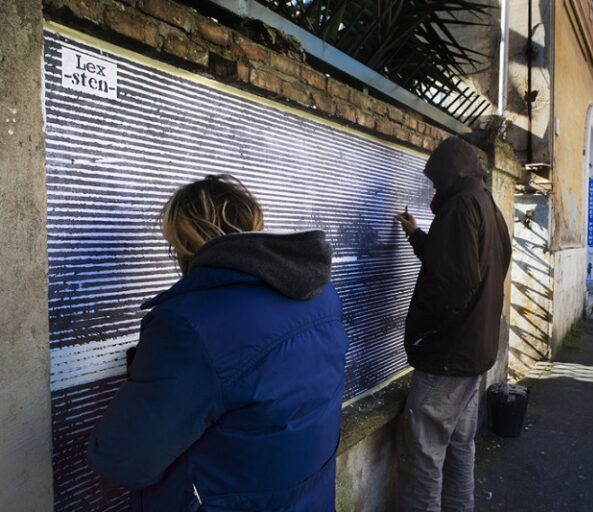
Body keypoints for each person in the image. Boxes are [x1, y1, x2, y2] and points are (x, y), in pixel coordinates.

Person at [87, 175, 349, 511]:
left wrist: (151, 376)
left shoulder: (186, 324)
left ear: (182, 243)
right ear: (254, 224)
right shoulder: (321, 295)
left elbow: (120, 459)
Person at [393, 136, 512, 511]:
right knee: (460, 447)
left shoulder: (460, 208)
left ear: (449, 174)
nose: (433, 186)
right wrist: (417, 235)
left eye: (435, 179)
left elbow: (454, 283)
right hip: (474, 352)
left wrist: (427, 335)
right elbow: (470, 267)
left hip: (448, 355)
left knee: (423, 453)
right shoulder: (487, 205)